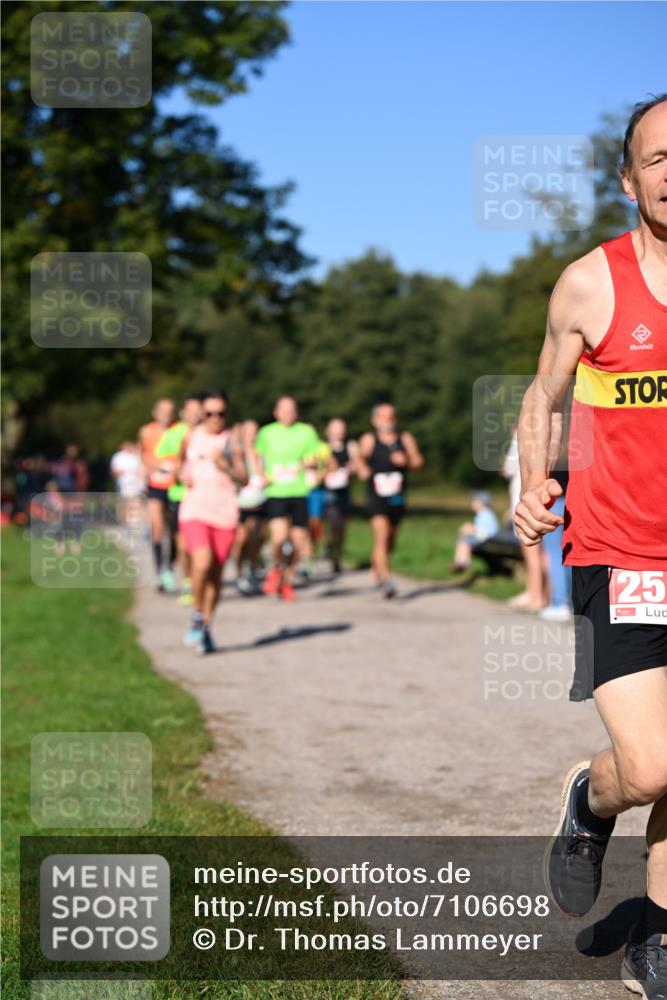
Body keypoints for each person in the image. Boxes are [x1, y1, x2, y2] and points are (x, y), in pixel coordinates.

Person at [514, 95, 667, 997]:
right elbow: (543, 395)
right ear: (628, 179)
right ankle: (590, 798)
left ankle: (653, 935)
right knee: (650, 765)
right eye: (658, 158)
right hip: (620, 555)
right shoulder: (590, 284)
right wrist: (533, 482)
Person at [177, 390, 246, 655]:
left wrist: (225, 465)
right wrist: (181, 474)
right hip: (195, 509)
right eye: (209, 414)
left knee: (216, 576)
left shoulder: (233, 441)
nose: (215, 418)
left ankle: (206, 625)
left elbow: (245, 478)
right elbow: (179, 465)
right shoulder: (190, 436)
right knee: (202, 562)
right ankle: (196, 616)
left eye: (221, 413)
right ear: (201, 414)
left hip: (225, 513)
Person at [254, 396, 320, 602]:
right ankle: (275, 567)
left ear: (297, 412)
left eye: (292, 409)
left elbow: (314, 458)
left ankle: (287, 581)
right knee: (279, 537)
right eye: (283, 409)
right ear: (276, 412)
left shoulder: (306, 432)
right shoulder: (267, 432)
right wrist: (262, 475)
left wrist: (305, 465)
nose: (288, 413)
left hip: (299, 491)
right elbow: (256, 456)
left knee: (299, 541)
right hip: (276, 492)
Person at [356, 403, 424, 599]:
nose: (387, 421)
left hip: (396, 496)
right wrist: (362, 469)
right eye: (383, 417)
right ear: (375, 420)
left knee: (390, 540)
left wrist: (407, 461)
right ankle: (387, 580)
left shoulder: (405, 438)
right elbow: (359, 459)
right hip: (376, 495)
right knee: (382, 533)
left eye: (391, 417)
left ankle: (377, 563)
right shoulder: (369, 440)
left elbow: (418, 461)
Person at [154, 394, 203, 604]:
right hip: (180, 495)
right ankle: (188, 581)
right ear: (183, 413)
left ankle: (199, 578)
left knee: (199, 545)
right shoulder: (174, 434)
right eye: (190, 411)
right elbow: (160, 457)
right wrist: (175, 468)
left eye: (197, 411)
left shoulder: (208, 434)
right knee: (183, 545)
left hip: (205, 496)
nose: (194, 415)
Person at [503, 426, 548, 612]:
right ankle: (544, 594)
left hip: (523, 498)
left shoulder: (521, 436)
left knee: (530, 549)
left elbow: (509, 468)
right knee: (544, 552)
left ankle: (535, 595)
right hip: (539, 497)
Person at [138, 398, 177, 593]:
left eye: (170, 411)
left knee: (175, 532)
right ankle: (160, 573)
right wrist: (148, 468)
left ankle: (169, 565)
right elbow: (143, 455)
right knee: (157, 528)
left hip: (175, 485)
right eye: (163, 410)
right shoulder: (147, 431)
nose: (166, 414)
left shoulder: (180, 430)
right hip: (155, 484)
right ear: (155, 412)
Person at [233, 419, 267, 596]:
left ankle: (250, 567)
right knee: (241, 539)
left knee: (257, 537)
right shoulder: (235, 454)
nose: (252, 435)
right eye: (248, 432)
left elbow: (268, 475)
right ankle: (239, 571)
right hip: (240, 503)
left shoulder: (263, 453)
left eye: (255, 432)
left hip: (259, 500)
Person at [323, 418, 357, 574]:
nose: (340, 432)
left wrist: (352, 468)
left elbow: (358, 466)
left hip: (344, 491)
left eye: (342, 428)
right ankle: (329, 546)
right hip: (327, 491)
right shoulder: (323, 448)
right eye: (336, 428)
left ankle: (336, 556)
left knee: (342, 527)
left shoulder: (351, 447)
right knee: (331, 523)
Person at [451, 491, 499, 572]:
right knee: (463, 539)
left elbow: (488, 532)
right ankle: (460, 561)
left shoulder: (486, 515)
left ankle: (463, 562)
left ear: (481, 503)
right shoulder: (482, 514)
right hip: (484, 537)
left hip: (488, 539)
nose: (472, 504)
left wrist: (471, 530)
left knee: (465, 540)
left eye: (474, 502)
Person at [110, 441, 145, 527]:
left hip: (135, 485)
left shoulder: (135, 457)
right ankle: (122, 522)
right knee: (123, 504)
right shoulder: (118, 457)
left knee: (134, 504)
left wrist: (142, 484)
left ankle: (132, 523)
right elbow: (114, 471)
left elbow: (140, 471)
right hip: (123, 484)